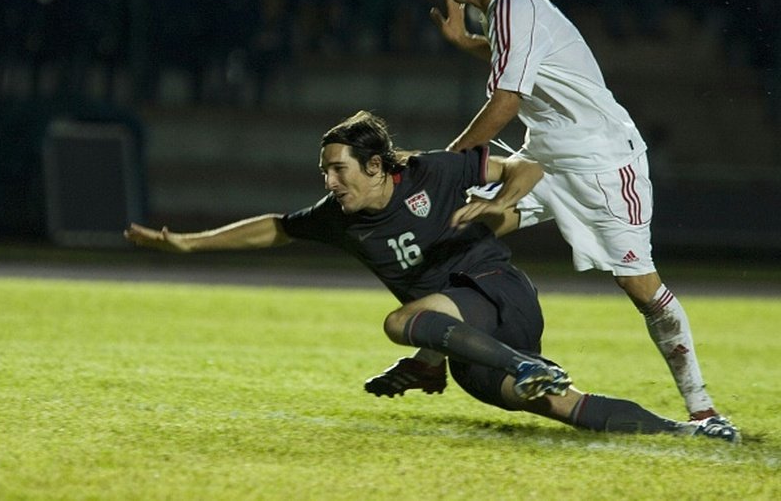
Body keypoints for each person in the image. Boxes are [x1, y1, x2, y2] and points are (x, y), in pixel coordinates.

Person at [124, 110, 738, 442]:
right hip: (475, 342)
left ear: (375, 165)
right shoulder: (338, 217)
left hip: (502, 296)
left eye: (338, 170)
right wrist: (186, 243)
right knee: (563, 409)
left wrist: (500, 205)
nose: (329, 182)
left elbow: (524, 169)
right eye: (324, 171)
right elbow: (275, 227)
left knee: (400, 320)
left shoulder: (430, 172)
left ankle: (508, 364)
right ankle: (690, 435)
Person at [370, 0, 727, 426]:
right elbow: (528, 64)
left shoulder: (515, 5)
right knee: (458, 225)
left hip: (602, 163)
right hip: (546, 159)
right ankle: (431, 362)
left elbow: (505, 103)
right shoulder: (509, 11)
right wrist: (469, 42)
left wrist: (447, 163)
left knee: (639, 286)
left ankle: (705, 410)